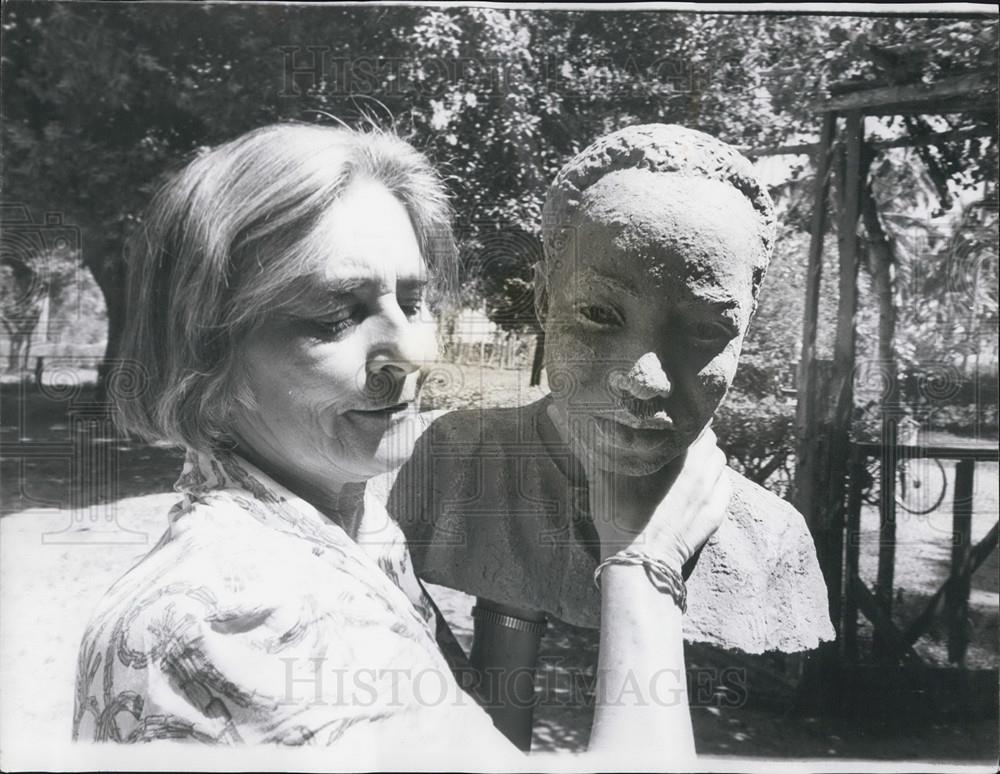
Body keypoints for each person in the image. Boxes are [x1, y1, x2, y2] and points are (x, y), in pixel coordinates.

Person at [72, 122, 729, 763]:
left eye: (413, 303)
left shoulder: (349, 523)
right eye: (337, 315)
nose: (417, 351)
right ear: (204, 355)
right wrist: (647, 566)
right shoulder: (249, 619)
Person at [385, 124, 836, 749]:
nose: (645, 381)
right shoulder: (453, 461)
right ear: (545, 300)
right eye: (599, 315)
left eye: (705, 330)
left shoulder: (772, 541)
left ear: (745, 330)